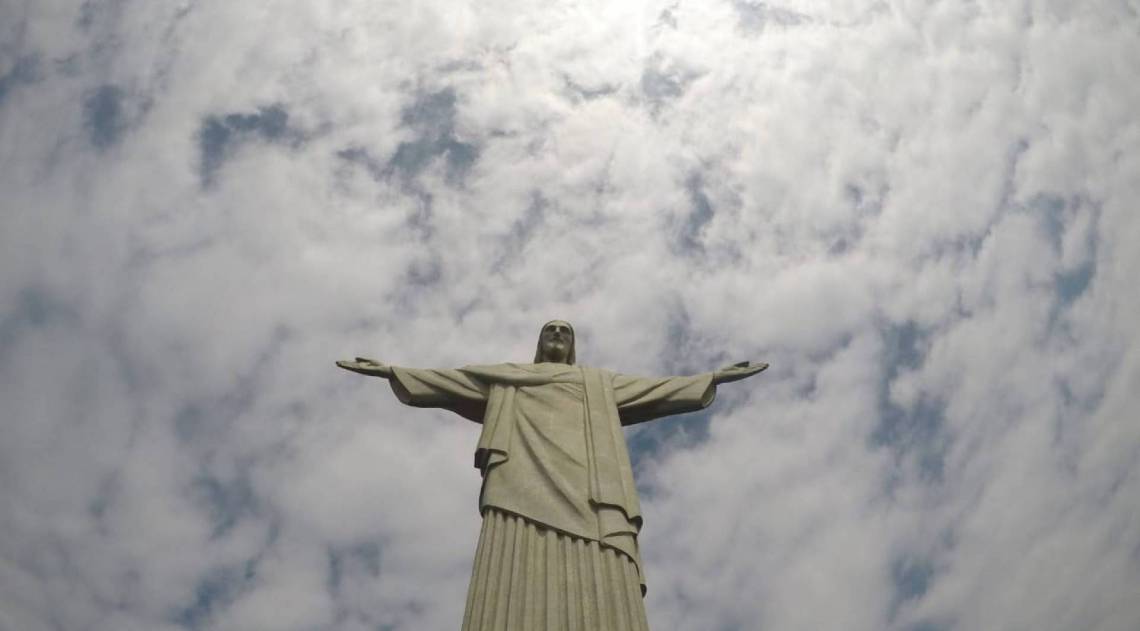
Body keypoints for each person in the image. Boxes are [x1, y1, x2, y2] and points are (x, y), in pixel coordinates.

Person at [337, 320, 766, 630]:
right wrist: (391, 370)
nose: (557, 337)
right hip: (519, 481)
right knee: (514, 570)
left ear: (573, 346)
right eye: (550, 331)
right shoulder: (508, 378)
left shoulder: (596, 383)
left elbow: (656, 391)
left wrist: (712, 378)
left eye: (565, 332)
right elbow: (450, 382)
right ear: (540, 344)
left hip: (592, 490)